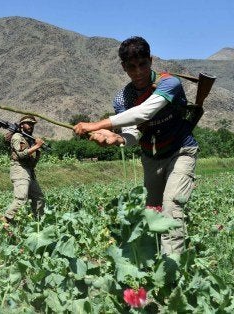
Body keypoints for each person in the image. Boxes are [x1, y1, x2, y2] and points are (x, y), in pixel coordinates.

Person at [73, 36, 198, 256]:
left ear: (151, 61)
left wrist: (97, 124)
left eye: (142, 64)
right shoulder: (123, 98)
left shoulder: (169, 83)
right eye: (131, 67)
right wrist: (118, 139)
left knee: (171, 208)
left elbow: (144, 112)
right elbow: (132, 130)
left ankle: (174, 271)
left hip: (181, 151)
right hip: (151, 158)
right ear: (124, 67)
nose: (138, 71)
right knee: (153, 212)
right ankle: (156, 262)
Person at [3, 115, 46, 224]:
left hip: (29, 171)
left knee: (39, 198)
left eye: (32, 124)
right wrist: (36, 147)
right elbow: (21, 155)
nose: (31, 126)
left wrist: (37, 150)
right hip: (19, 169)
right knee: (21, 198)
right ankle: (4, 221)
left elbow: (33, 161)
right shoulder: (17, 137)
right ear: (22, 125)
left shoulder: (29, 140)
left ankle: (38, 224)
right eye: (29, 123)